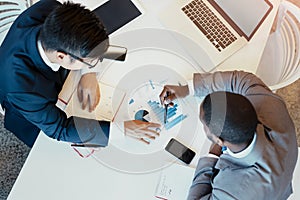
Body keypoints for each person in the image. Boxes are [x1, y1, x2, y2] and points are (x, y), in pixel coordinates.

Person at [0, 0, 160, 148]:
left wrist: (89, 72)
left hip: (58, 80)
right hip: (26, 111)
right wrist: (120, 130)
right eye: (91, 61)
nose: (96, 63)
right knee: (49, 151)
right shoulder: (20, 88)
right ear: (61, 56)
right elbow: (60, 129)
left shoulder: (53, 9)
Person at [160, 71, 298, 199]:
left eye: (204, 125)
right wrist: (188, 88)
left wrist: (212, 157)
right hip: (282, 166)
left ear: (219, 140)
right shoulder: (269, 102)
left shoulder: (234, 191)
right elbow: (237, 79)